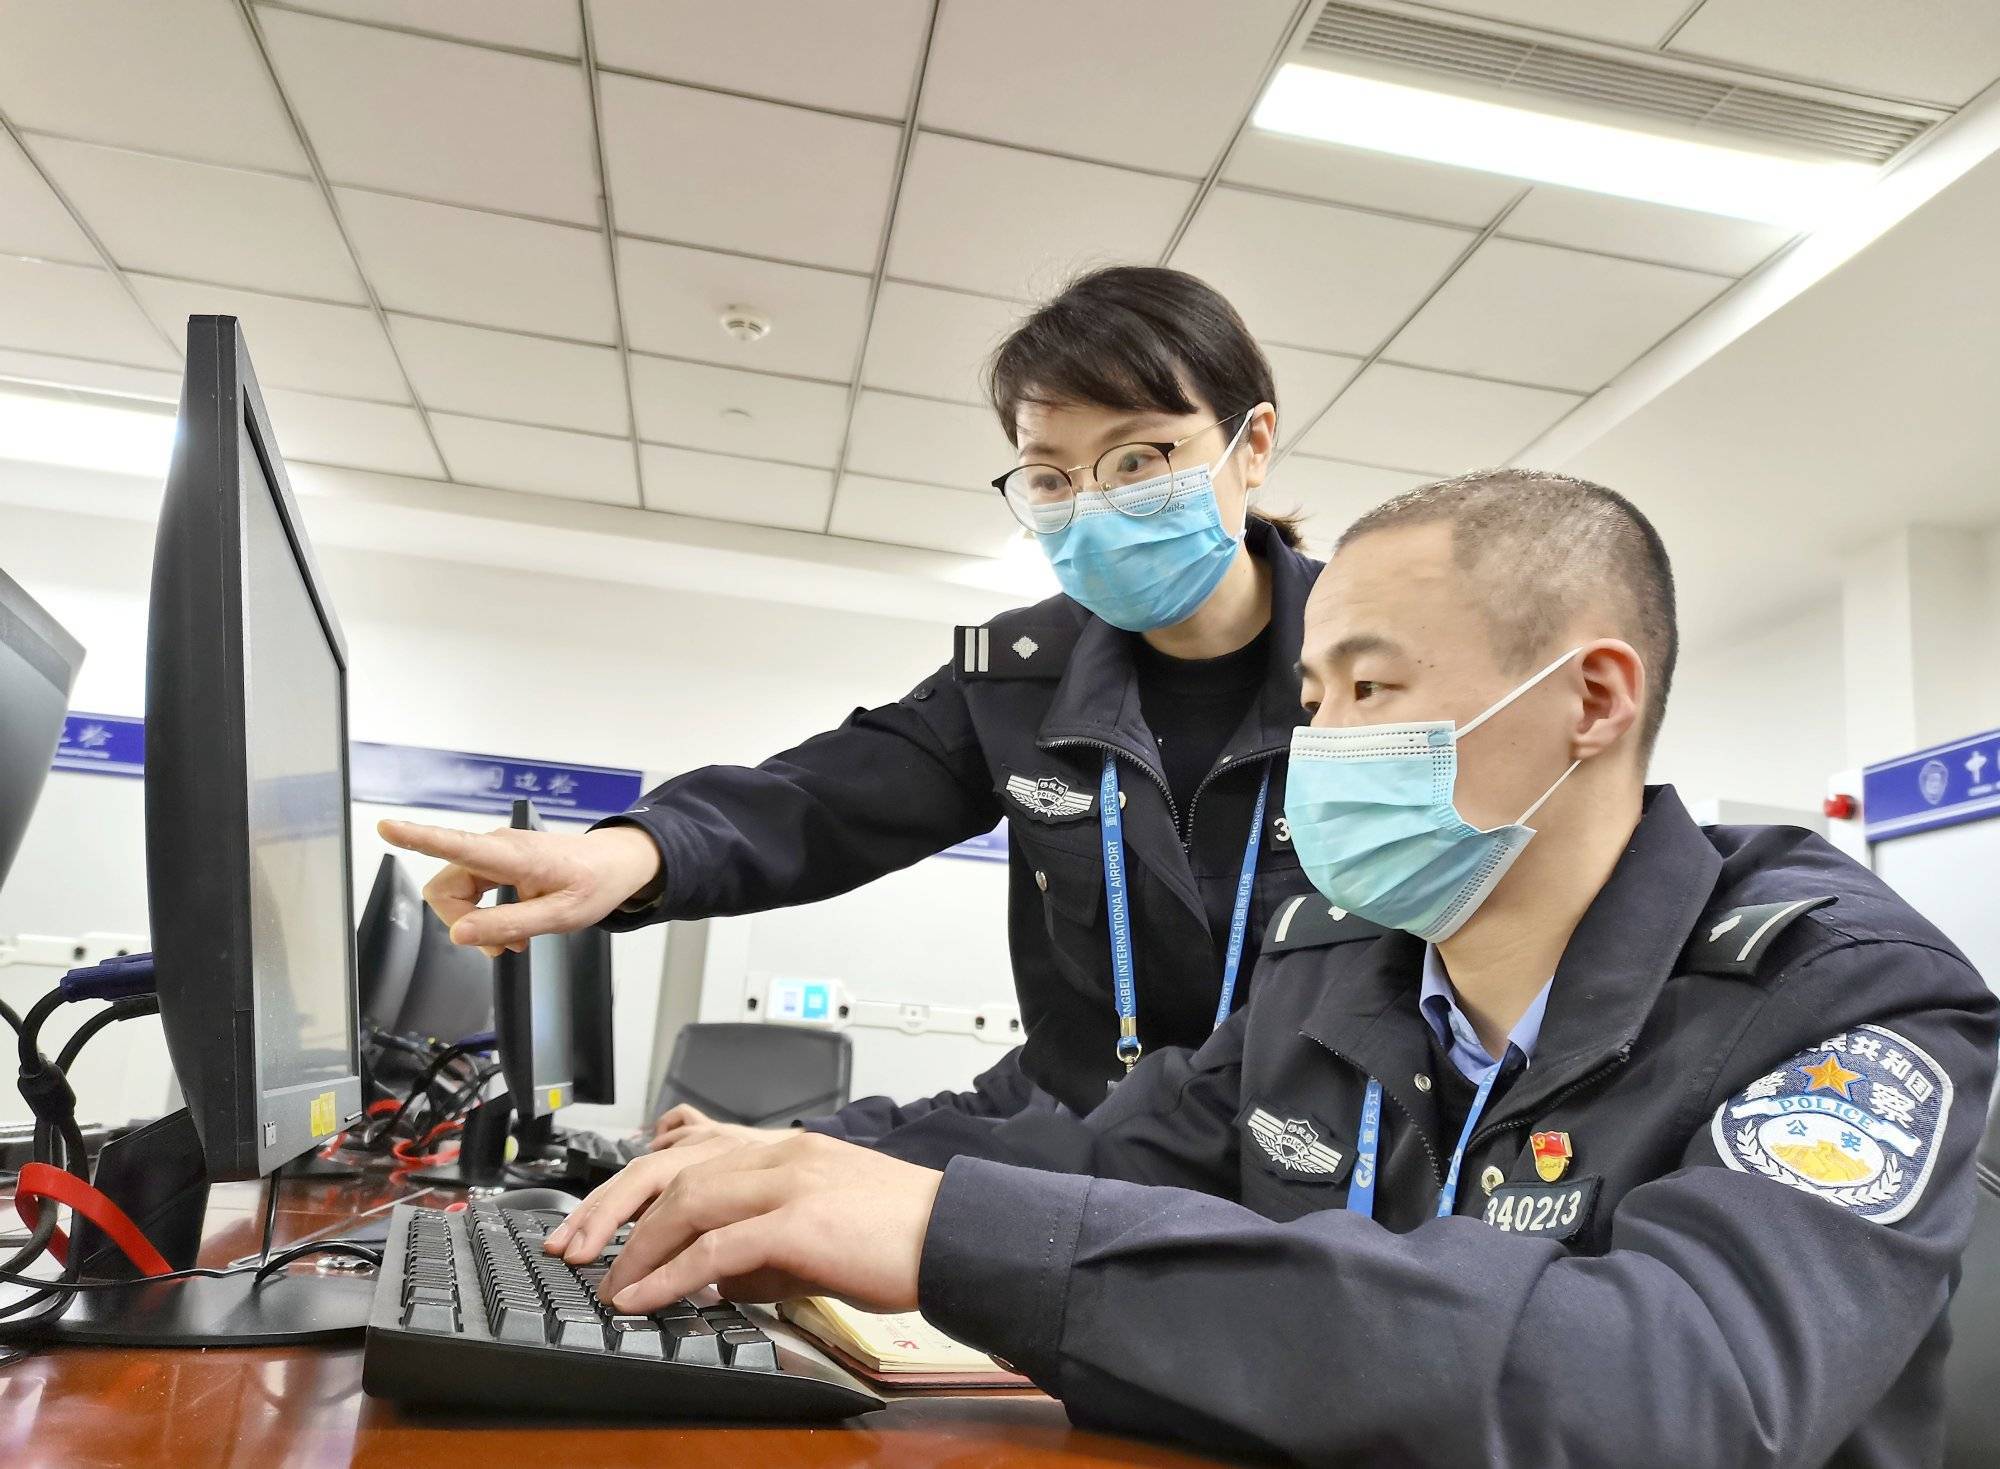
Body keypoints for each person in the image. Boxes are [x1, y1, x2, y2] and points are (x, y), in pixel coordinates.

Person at [541, 470, 1999, 1467]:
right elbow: (1096, 1156)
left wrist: (955, 1234)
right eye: (1312, 696)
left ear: (1592, 701)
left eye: (1371, 686)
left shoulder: (1844, 991)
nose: (1320, 741)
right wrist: (798, 1161)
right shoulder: (1339, 960)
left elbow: (1667, 1391)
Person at [380, 266, 1368, 1151]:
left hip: (1311, 1168)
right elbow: (824, 796)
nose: (1095, 504)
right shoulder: (1022, 674)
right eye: (1050, 478)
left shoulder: (1382, 670)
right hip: (1085, 1136)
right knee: (775, 1179)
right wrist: (628, 853)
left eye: (1138, 460)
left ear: (1252, 444)